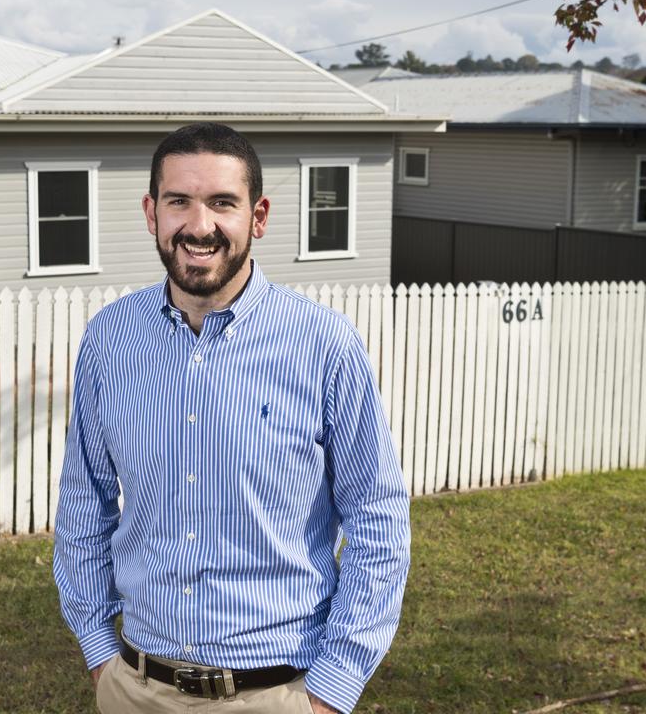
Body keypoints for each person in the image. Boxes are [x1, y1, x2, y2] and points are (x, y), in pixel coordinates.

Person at [53, 122, 411, 714]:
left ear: (259, 216)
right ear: (151, 213)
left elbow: (378, 521)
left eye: (223, 202)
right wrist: (98, 652)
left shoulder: (323, 345)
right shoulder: (108, 342)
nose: (199, 226)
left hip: (278, 695)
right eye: (179, 202)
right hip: (135, 690)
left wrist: (331, 691)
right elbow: (83, 504)